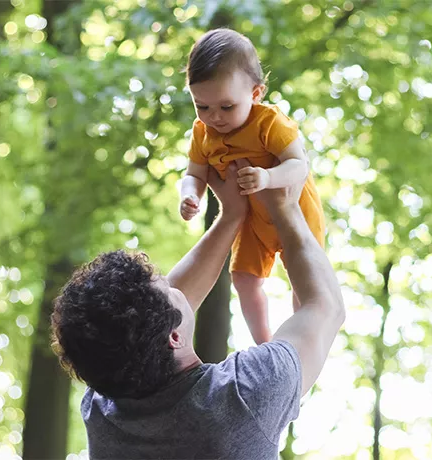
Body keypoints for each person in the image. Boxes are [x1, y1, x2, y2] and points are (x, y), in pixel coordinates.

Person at [51, 161, 346, 459]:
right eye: (168, 288)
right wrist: (283, 205)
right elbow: (326, 306)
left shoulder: (104, 408)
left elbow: (152, 325)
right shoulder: (244, 396)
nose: (175, 285)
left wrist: (231, 216)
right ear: (174, 338)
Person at [177, 28, 327, 345]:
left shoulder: (268, 122)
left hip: (296, 213)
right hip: (251, 222)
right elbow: (195, 173)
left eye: (226, 107)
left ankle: (305, 342)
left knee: (305, 280)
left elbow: (299, 164)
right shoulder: (202, 133)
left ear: (256, 93)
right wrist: (190, 195)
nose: (213, 117)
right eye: (201, 106)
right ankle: (265, 343)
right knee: (243, 279)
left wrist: (267, 177)